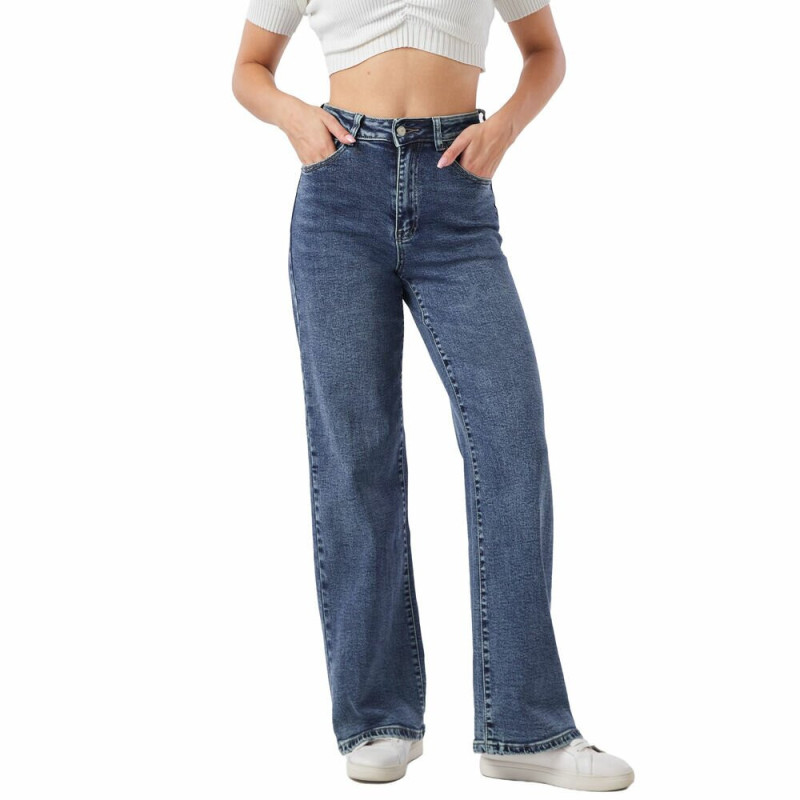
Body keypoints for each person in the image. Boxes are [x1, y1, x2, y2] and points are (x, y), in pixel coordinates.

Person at [232, 0, 634, 790]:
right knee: (358, 458)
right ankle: (378, 717)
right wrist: (294, 118)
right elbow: (248, 71)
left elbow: (544, 51)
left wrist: (505, 128)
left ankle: (524, 730)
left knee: (511, 443)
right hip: (339, 195)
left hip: (457, 196)